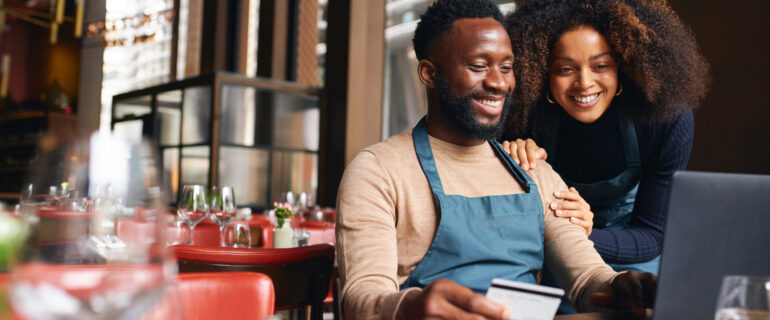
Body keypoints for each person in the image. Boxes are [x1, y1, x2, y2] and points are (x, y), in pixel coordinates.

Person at [335, 1, 656, 319]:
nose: (499, 82)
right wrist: (408, 307)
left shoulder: (533, 171)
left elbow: (588, 281)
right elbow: (360, 299)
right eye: (478, 66)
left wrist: (620, 287)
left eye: (506, 67)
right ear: (430, 74)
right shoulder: (378, 171)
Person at [499, 0, 710, 314]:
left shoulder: (665, 120)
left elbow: (652, 235)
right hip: (556, 250)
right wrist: (515, 160)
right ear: (543, 72)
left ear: (622, 66)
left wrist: (586, 231)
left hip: (634, 247)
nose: (584, 82)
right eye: (566, 69)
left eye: (601, 65)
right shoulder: (522, 119)